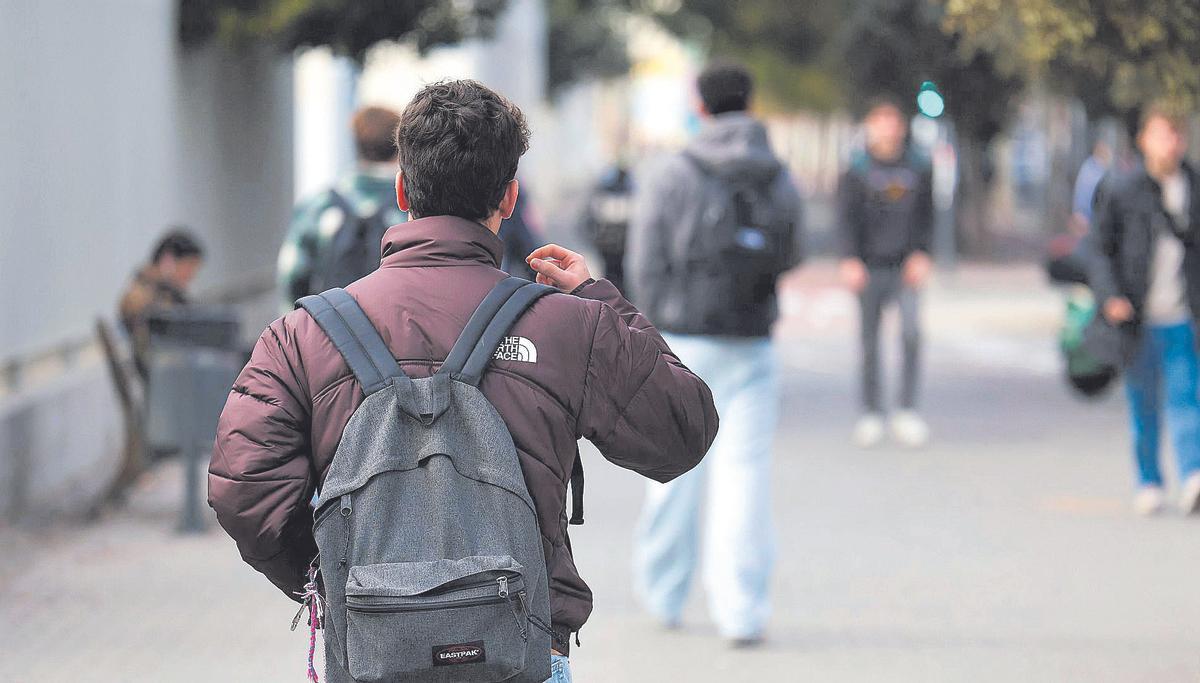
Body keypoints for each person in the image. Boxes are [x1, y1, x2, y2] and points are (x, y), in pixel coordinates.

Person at [208, 80, 718, 681]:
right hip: (519, 653)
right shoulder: (567, 324)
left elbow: (243, 490)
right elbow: (683, 430)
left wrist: (339, 579)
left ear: (403, 190)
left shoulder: (303, 334)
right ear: (509, 198)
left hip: (371, 651)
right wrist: (598, 297)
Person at [627, 62, 803, 647]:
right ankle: (742, 611)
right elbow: (794, 247)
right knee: (744, 476)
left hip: (684, 337)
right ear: (749, 103)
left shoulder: (674, 170)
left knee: (675, 468)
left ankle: (664, 592)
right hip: (751, 338)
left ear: (699, 107)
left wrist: (648, 326)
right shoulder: (776, 172)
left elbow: (644, 256)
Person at [1086, 103, 1200, 516]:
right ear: (1142, 140)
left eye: (1174, 134)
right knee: (1143, 403)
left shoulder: (1194, 186)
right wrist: (1110, 294)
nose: (1167, 144)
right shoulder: (1123, 189)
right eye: (1159, 134)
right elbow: (1099, 249)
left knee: (1189, 399)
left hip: (1184, 316)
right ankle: (1149, 481)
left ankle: (1193, 476)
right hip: (1137, 318)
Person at [838, 97, 934, 448]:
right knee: (869, 341)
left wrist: (923, 253)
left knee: (911, 334)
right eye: (880, 120)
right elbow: (845, 218)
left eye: (892, 120)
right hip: (868, 266)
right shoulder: (857, 168)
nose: (887, 128)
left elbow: (928, 215)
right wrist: (849, 259)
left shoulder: (918, 166)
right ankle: (871, 411)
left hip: (905, 266)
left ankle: (907, 409)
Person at [277, 105, 406, 313]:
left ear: (356, 144)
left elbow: (292, 276)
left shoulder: (319, 205)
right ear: (398, 146)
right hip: (392, 335)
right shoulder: (411, 206)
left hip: (331, 331)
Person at [118, 228, 204, 379]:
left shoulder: (165, 294)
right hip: (166, 380)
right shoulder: (139, 297)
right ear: (168, 262)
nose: (191, 276)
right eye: (189, 267)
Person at [581, 161, 634, 293]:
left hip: (618, 250)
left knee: (617, 286)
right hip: (609, 251)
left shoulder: (627, 193)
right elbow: (585, 222)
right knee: (614, 284)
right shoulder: (603, 194)